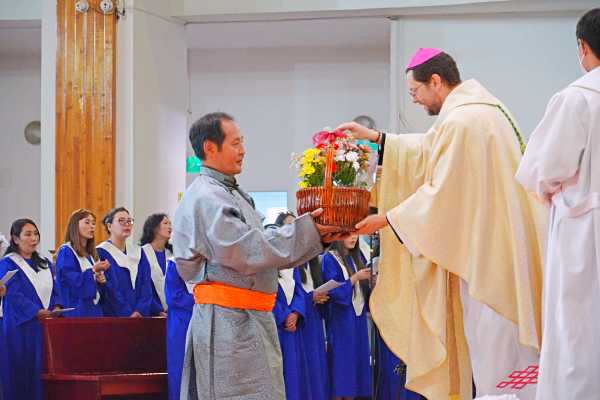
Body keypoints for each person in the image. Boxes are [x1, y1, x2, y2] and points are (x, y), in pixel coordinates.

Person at [338, 49, 546, 400]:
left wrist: (387, 219)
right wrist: (377, 139)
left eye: (415, 92)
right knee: (512, 359)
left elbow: (442, 192)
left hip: (486, 262)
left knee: (496, 356)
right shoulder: (483, 112)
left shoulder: (463, 121)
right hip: (500, 250)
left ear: (435, 81)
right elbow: (429, 151)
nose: (415, 100)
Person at [172, 112, 345, 399]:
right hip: (227, 322)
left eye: (243, 142)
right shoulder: (206, 196)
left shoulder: (231, 192)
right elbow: (246, 250)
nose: (243, 150)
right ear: (210, 148)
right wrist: (310, 232)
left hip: (250, 317)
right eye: (235, 143)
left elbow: (261, 245)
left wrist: (316, 235)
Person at [515, 8, 600, 399]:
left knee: (578, 332)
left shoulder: (579, 97)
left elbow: (542, 169)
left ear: (583, 47)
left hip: (585, 230)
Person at [0, 219, 62, 400]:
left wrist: (57, 306)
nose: (33, 238)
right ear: (15, 239)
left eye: (35, 234)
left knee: (43, 374)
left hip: (45, 327)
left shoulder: (45, 263)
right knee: (21, 374)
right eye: (28, 234)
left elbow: (56, 289)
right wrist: (36, 311)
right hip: (21, 328)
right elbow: (14, 295)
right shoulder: (8, 264)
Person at [276, 211, 330, 400]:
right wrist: (289, 314)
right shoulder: (278, 262)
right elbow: (272, 295)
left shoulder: (310, 260)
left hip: (307, 317)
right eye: (289, 226)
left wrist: (300, 310)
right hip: (289, 323)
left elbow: (299, 288)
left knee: (314, 368)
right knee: (292, 372)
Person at [322, 234, 372, 400]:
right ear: (339, 235)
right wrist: (355, 278)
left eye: (356, 233)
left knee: (355, 367)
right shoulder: (330, 259)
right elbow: (332, 291)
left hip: (357, 317)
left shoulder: (356, 256)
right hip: (341, 319)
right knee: (341, 368)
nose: (354, 238)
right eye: (349, 234)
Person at [97, 207, 153, 317]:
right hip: (114, 317)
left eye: (129, 221)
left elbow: (146, 285)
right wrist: (126, 313)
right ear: (109, 226)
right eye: (121, 221)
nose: (127, 224)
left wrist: (140, 310)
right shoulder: (101, 252)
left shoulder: (139, 252)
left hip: (140, 317)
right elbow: (109, 288)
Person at [55, 208, 110, 317]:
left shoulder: (90, 255)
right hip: (76, 311)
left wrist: (100, 281)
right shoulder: (66, 251)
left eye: (93, 223)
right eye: (87, 222)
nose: (92, 226)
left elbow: (95, 289)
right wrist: (93, 270)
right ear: (75, 225)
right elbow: (71, 281)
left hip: (93, 310)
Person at [165, 255, 194, 400]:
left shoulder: (213, 260)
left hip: (208, 322)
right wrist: (202, 299)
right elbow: (174, 297)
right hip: (182, 325)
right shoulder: (175, 263)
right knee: (181, 374)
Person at [139, 213, 173, 316]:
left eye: (170, 223)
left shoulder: (172, 253)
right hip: (152, 312)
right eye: (166, 223)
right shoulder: (142, 253)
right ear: (154, 228)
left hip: (174, 311)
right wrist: (157, 310)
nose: (170, 227)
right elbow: (143, 285)